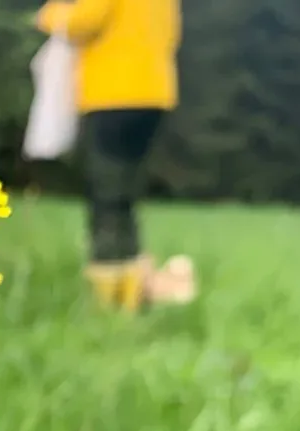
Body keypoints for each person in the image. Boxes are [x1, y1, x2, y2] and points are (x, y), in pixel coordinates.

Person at [35, 0, 185, 312]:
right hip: (155, 91)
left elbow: (85, 20)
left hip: (113, 92)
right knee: (125, 194)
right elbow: (173, 35)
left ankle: (109, 296)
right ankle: (133, 288)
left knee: (105, 193)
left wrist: (50, 14)